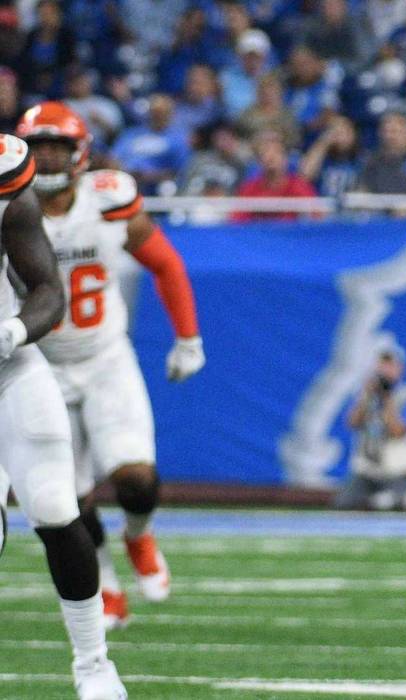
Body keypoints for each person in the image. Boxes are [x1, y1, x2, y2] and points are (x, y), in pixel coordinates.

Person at [18, 102, 205, 632]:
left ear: (80, 154)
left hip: (103, 358)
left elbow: (165, 262)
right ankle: (104, 581)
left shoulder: (108, 199)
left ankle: (139, 534)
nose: (49, 157)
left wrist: (188, 337)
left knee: (137, 479)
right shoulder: (11, 207)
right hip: (39, 366)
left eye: (58, 146)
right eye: (39, 147)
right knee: (67, 504)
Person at [0, 131, 127, 699]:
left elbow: (50, 291)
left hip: (8, 367)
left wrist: (12, 330)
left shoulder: (6, 179)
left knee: (54, 505)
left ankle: (94, 665)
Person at [332, 343, 406, 511]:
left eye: (390, 366)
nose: (385, 370)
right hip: (367, 471)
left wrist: (388, 400)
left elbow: (398, 431)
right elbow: (352, 423)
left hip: (398, 471)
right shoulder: (366, 394)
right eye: (382, 365)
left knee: (393, 505)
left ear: (400, 368)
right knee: (343, 504)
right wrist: (365, 398)